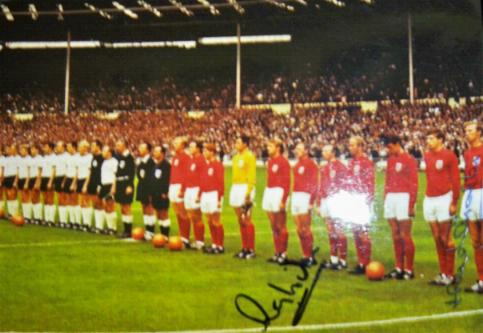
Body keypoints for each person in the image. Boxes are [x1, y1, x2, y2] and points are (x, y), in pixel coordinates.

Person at [424, 129, 460, 286]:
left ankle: (450, 275)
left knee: (446, 238)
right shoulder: (427, 155)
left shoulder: (449, 155)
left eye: (431, 138)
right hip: (429, 199)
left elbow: (456, 179)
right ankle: (443, 272)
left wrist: (454, 202)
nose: (428, 141)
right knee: (437, 238)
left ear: (440, 139)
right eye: (428, 138)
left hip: (444, 198)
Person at [383, 136, 418, 280]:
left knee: (405, 234)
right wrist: (386, 197)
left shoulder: (409, 160)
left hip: (404, 197)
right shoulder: (390, 160)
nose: (388, 150)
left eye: (390, 147)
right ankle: (398, 267)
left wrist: (411, 204)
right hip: (391, 197)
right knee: (395, 234)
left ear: (398, 144)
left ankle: (409, 269)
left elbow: (414, 183)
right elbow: (387, 180)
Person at [346, 136, 375, 275]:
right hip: (352, 200)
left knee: (363, 233)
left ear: (359, 146)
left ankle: (366, 262)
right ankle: (360, 262)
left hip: (362, 200)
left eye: (352, 145)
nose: (349, 147)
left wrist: (368, 200)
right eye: (349, 145)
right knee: (355, 232)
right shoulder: (351, 162)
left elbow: (370, 182)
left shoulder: (366, 162)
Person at [460, 121, 483, 294]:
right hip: (470, 195)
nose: (467, 133)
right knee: (476, 242)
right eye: (466, 131)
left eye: (470, 131)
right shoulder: (467, 153)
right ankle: (481, 280)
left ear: (479, 133)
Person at [319, 144, 348, 270]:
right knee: (331, 231)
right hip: (326, 200)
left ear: (333, 153)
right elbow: (322, 185)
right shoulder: (325, 167)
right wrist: (319, 202)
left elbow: (345, 185)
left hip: (337, 200)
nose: (323, 152)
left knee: (339, 231)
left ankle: (343, 260)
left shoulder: (340, 167)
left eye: (326, 151)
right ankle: (333, 259)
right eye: (323, 151)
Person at [263, 139, 290, 264]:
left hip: (279, 192)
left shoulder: (283, 162)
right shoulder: (269, 161)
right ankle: (277, 252)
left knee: (281, 225)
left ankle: (283, 253)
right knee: (273, 225)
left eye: (270, 146)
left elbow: (287, 182)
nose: (268, 148)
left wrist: (283, 199)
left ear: (278, 148)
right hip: (269, 191)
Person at [291, 142, 319, 267]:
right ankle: (305, 254)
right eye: (296, 149)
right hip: (296, 196)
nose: (296, 151)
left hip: (305, 196)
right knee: (298, 228)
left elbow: (314, 183)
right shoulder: (296, 165)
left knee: (305, 228)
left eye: (299, 149)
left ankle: (310, 256)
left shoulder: (311, 164)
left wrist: (311, 201)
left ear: (306, 151)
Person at [230, 135, 257, 260]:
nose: (236, 144)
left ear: (245, 144)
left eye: (238, 142)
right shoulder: (235, 157)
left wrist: (248, 192)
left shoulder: (249, 156)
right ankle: (244, 248)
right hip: (236, 187)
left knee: (247, 219)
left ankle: (251, 249)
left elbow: (251, 175)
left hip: (245, 188)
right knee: (240, 219)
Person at [199, 143, 225, 254]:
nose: (204, 153)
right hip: (205, 194)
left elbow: (220, 183)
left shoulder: (218, 165)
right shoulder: (206, 165)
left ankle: (220, 245)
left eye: (206, 151)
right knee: (209, 220)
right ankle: (214, 243)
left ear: (212, 152)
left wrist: (219, 198)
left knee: (216, 221)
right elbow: (202, 181)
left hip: (214, 194)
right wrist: (200, 194)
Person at [169, 137, 191, 247]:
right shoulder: (175, 157)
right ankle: (181, 235)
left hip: (179, 186)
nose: (174, 144)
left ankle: (185, 238)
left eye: (177, 143)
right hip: (172, 186)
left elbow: (186, 174)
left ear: (183, 145)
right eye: (174, 143)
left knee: (183, 213)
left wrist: (182, 189)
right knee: (177, 213)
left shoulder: (186, 157)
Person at [185, 140, 207, 250]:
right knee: (191, 216)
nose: (190, 148)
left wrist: (200, 193)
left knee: (197, 216)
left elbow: (204, 178)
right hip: (189, 189)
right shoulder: (191, 160)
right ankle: (196, 239)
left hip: (196, 189)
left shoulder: (202, 160)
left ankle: (200, 241)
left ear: (198, 148)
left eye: (192, 146)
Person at [114, 139, 136, 238]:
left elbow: (132, 172)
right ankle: (125, 229)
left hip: (126, 184)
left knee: (127, 207)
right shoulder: (117, 157)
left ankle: (129, 230)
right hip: (119, 183)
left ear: (125, 146)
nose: (117, 147)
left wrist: (129, 185)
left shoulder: (129, 157)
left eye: (119, 145)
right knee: (122, 207)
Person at [136, 142, 156, 240]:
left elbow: (151, 178)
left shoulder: (151, 162)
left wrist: (151, 191)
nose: (139, 149)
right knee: (144, 208)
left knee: (149, 209)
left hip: (148, 189)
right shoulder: (141, 161)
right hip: (142, 187)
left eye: (142, 148)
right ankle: (147, 229)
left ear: (148, 150)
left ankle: (151, 231)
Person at [151, 145, 171, 239]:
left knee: (164, 213)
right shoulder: (156, 165)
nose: (154, 153)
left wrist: (165, 192)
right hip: (155, 192)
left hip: (162, 193)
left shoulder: (166, 165)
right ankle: (162, 234)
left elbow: (167, 179)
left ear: (162, 153)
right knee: (158, 213)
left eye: (156, 151)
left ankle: (165, 235)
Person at [99, 145, 118, 235]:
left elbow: (115, 175)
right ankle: (109, 227)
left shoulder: (114, 162)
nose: (102, 152)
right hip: (104, 185)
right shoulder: (104, 162)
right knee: (105, 206)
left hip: (110, 185)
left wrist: (113, 187)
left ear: (109, 153)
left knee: (111, 206)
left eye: (104, 151)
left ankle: (113, 228)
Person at [86, 140, 104, 233]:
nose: (91, 148)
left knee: (99, 204)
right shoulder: (93, 158)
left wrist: (100, 184)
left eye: (93, 146)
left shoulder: (102, 158)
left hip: (98, 183)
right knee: (93, 204)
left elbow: (102, 172)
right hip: (92, 183)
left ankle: (99, 227)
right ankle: (94, 225)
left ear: (98, 147)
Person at [76, 140, 93, 232]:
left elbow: (90, 172)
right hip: (79, 179)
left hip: (86, 180)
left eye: (80, 147)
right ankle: (84, 222)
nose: (79, 149)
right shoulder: (78, 157)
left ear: (85, 148)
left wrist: (86, 184)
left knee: (86, 202)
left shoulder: (90, 157)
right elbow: (78, 170)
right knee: (81, 202)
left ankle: (88, 223)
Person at [64, 142, 80, 229]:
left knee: (75, 201)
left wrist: (74, 183)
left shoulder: (77, 157)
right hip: (68, 179)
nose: (67, 148)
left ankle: (77, 222)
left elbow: (77, 171)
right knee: (69, 201)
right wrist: (65, 181)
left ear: (74, 147)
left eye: (69, 147)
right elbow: (67, 170)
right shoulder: (67, 157)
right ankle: (71, 220)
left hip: (74, 179)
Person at [40, 143, 56, 226]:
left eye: (45, 147)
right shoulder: (44, 158)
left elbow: (53, 170)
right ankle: (46, 219)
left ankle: (51, 220)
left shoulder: (53, 158)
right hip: (44, 178)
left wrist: (50, 181)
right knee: (45, 199)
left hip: (50, 178)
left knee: (50, 199)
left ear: (50, 148)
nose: (44, 148)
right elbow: (42, 170)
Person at [54, 141, 68, 228]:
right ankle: (61, 219)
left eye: (58, 147)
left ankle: (64, 220)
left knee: (64, 199)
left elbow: (67, 169)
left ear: (63, 147)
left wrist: (64, 181)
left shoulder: (66, 157)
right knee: (59, 199)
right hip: (58, 178)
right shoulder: (57, 157)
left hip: (63, 177)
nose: (57, 148)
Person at [28, 145, 43, 225]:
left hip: (36, 179)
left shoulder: (39, 158)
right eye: (31, 149)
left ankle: (38, 218)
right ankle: (35, 217)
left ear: (37, 150)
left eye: (33, 149)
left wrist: (38, 182)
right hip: (31, 178)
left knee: (36, 198)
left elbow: (40, 171)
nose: (32, 151)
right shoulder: (30, 159)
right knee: (32, 199)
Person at [3, 144, 19, 217]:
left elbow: (18, 170)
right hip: (6, 178)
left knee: (13, 196)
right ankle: (10, 213)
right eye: (7, 149)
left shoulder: (17, 158)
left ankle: (14, 213)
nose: (8, 151)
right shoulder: (6, 159)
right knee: (8, 195)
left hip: (12, 177)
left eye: (10, 149)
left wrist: (15, 180)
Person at [18, 144, 32, 223]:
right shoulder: (20, 160)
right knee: (22, 198)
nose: (21, 152)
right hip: (20, 179)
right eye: (20, 150)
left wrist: (27, 182)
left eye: (22, 150)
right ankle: (24, 215)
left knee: (27, 198)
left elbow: (29, 172)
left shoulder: (29, 159)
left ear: (26, 151)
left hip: (26, 179)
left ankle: (28, 216)